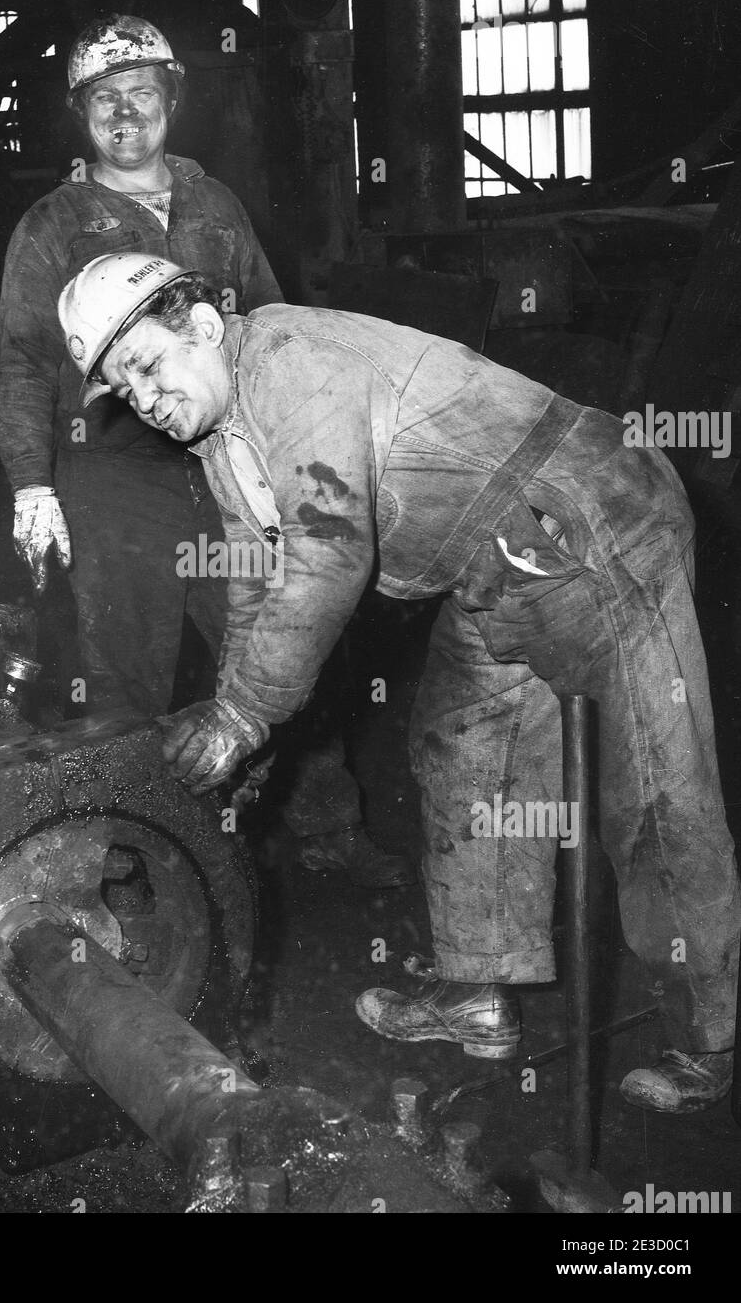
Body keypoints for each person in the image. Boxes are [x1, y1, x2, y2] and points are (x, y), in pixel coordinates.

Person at [56, 251, 741, 1114]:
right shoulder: (222, 436)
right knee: (461, 748)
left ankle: (708, 1036)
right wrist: (246, 721)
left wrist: (243, 713)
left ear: (199, 325)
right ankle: (478, 992)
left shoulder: (291, 365)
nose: (145, 402)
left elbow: (326, 549)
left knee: (651, 788)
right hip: (496, 564)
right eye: (124, 391)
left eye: (148, 367)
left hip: (596, 522)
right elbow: (256, 578)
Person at [0, 16, 405, 886]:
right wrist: (33, 486)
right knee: (122, 676)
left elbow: (265, 319)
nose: (124, 112)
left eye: (142, 92)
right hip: (112, 480)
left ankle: (327, 830)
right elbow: (25, 363)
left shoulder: (216, 205)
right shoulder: (54, 222)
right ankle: (132, 867)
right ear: (80, 115)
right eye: (105, 98)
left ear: (171, 101)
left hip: (225, 466)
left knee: (285, 640)